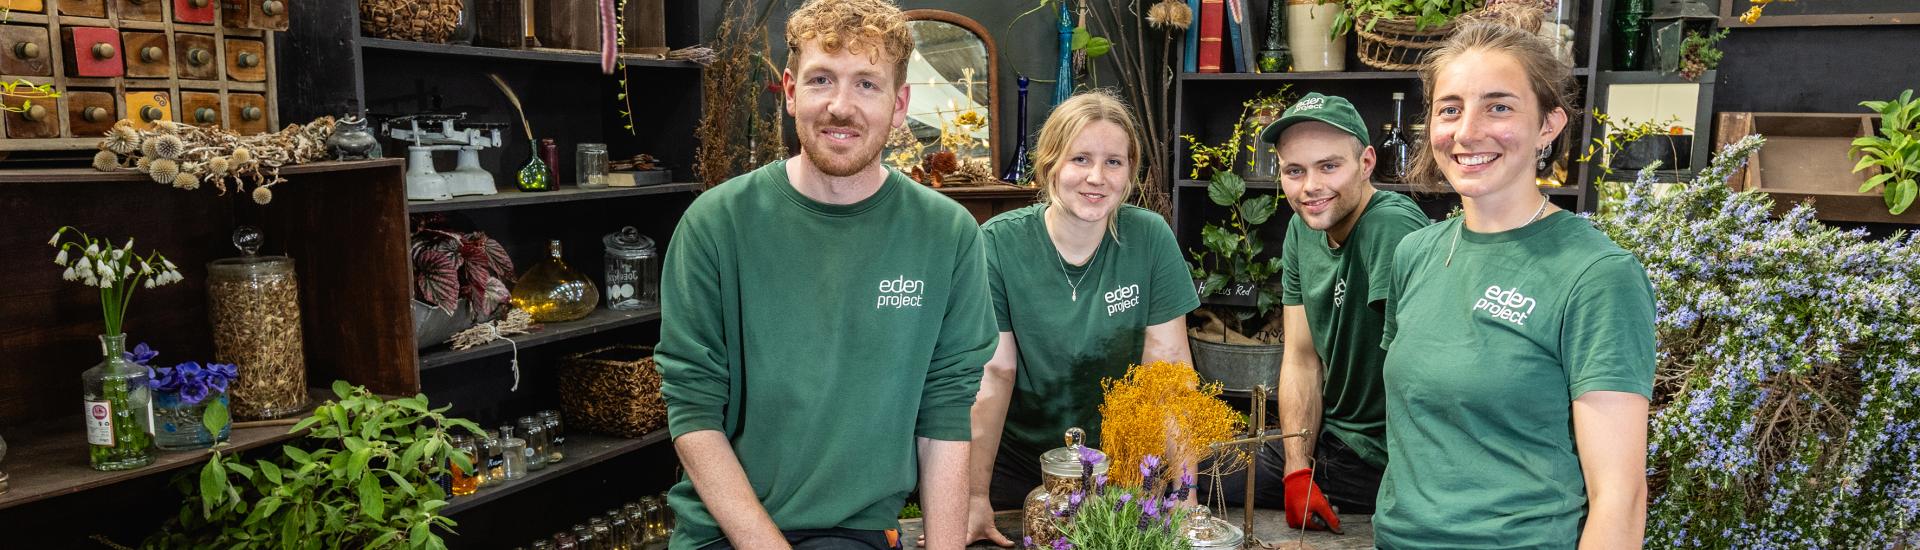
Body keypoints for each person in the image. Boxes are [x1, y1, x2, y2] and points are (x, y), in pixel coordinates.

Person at [654, 0, 998, 548]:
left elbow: (945, 418)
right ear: (790, 91)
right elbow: (693, 413)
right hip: (727, 531)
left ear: (899, 104)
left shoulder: (948, 234)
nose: (841, 107)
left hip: (856, 531)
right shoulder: (716, 223)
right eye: (822, 80)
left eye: (867, 84)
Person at [1375, 14, 1655, 548]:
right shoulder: (1415, 253)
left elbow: (1621, 497)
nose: (1467, 132)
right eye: (1450, 109)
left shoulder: (1598, 276)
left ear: (1548, 125)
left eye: (1499, 106)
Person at [960, 90, 1200, 547]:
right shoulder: (996, 244)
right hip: (1019, 470)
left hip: (1120, 469)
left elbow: (1169, 374)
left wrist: (1184, 494)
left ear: (1130, 171)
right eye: (1080, 159)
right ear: (1050, 164)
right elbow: (996, 372)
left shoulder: (1148, 237)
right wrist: (973, 496)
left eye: (1114, 161)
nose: (1097, 177)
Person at [1209, 92, 1430, 532]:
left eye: (1329, 166)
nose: (1310, 186)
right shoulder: (1301, 229)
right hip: (1331, 439)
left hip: (1375, 459)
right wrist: (1296, 470)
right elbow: (1301, 358)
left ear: (1367, 164)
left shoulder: (1390, 227)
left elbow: (1423, 368)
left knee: (1195, 472)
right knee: (1187, 459)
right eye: (1295, 171)